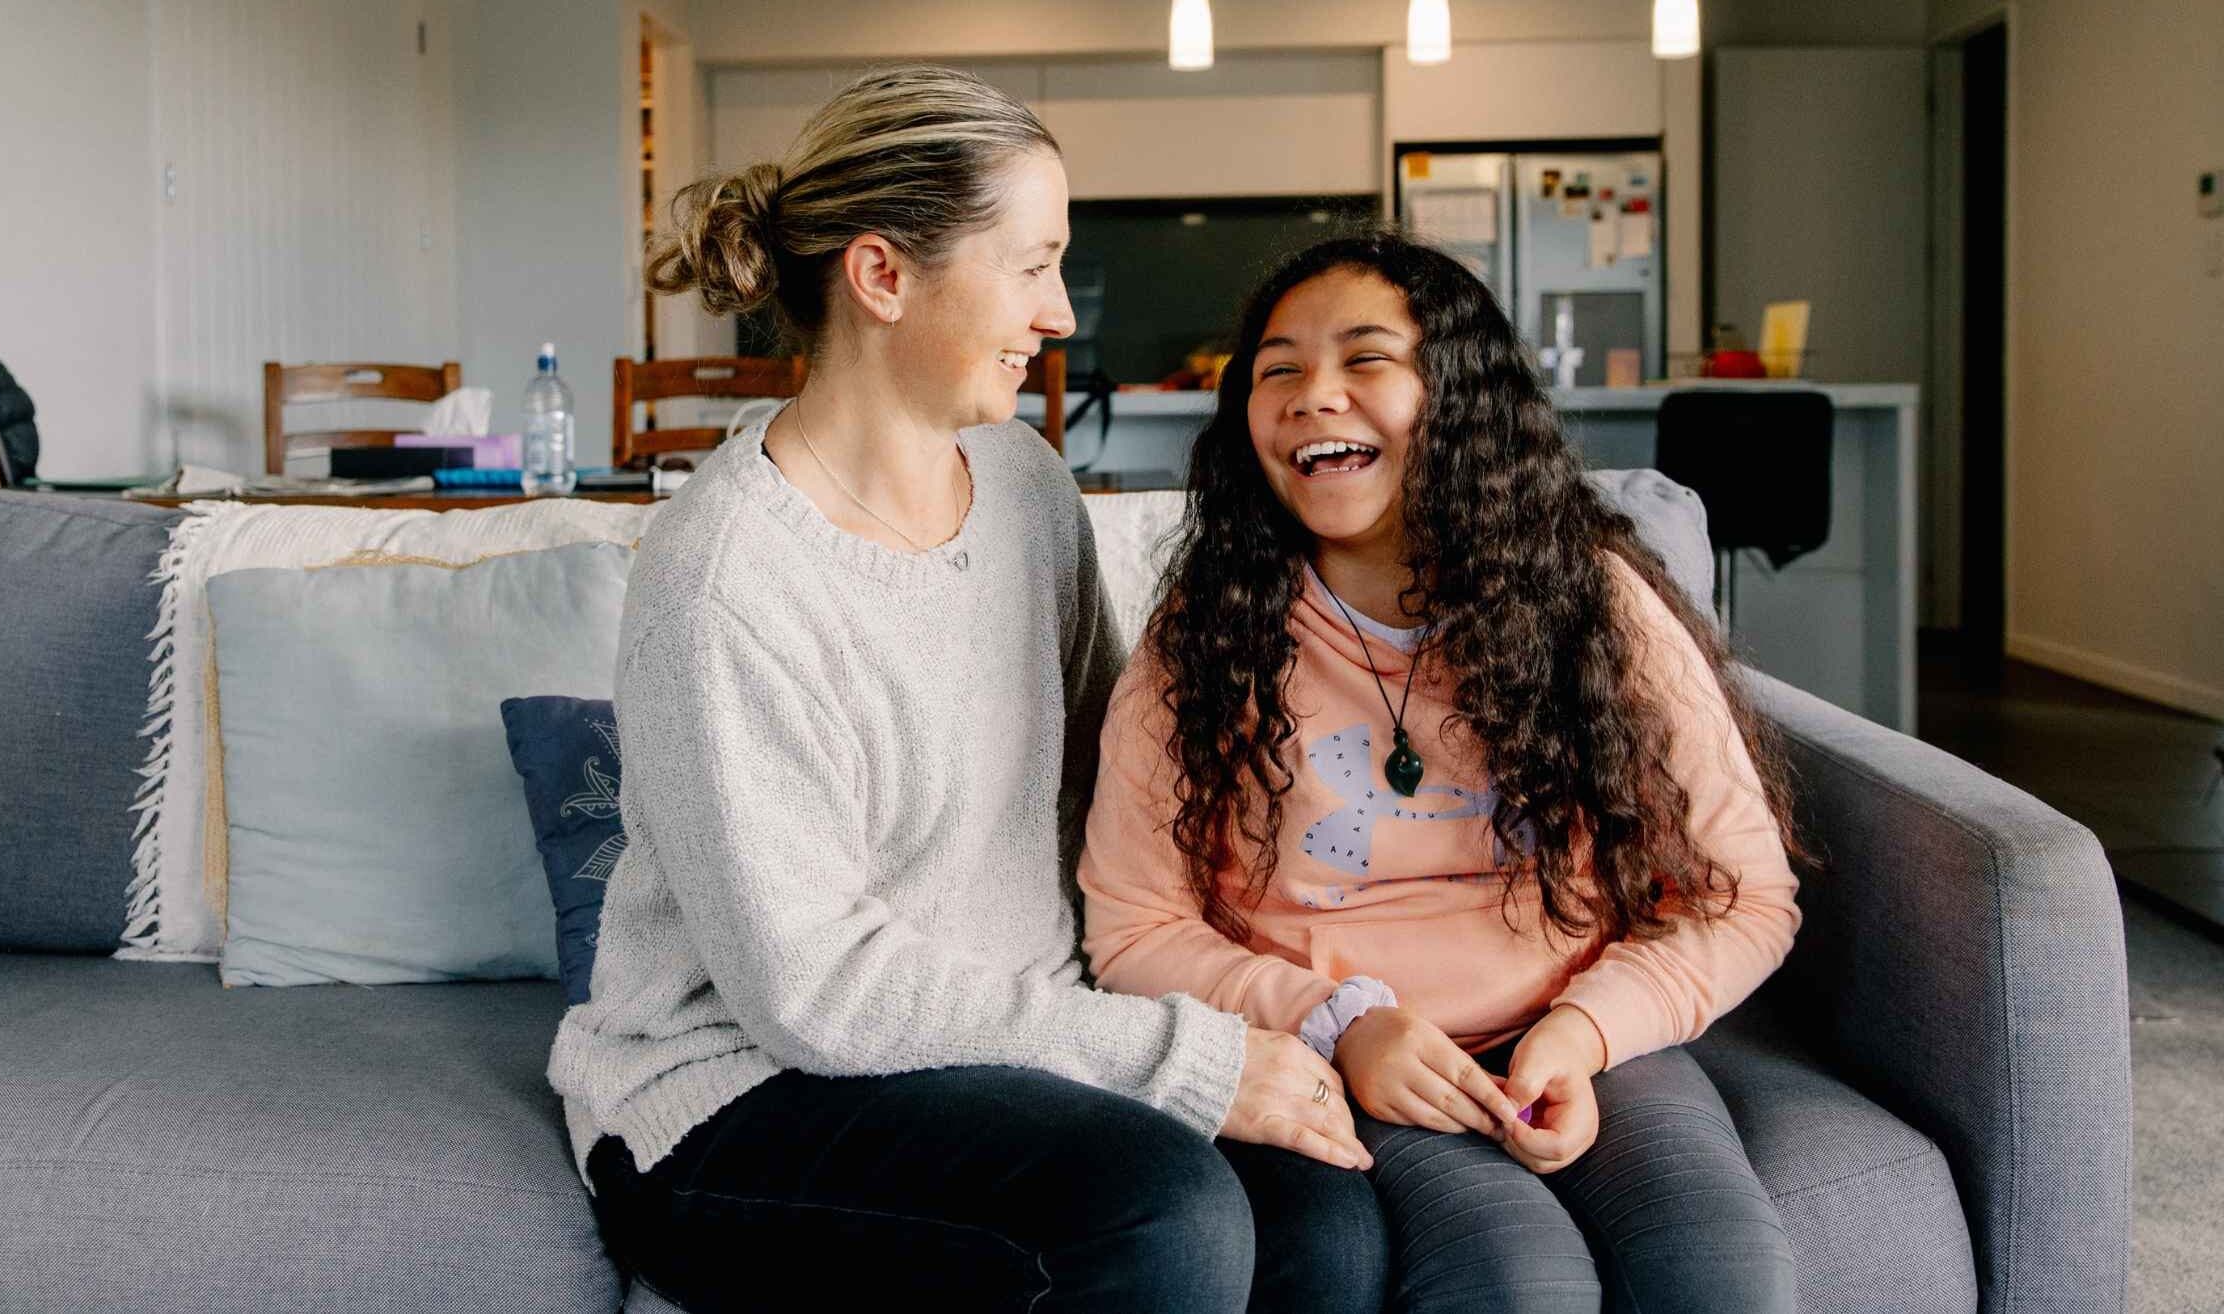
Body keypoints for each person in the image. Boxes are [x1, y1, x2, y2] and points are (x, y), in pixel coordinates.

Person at [549, 68, 1384, 1313]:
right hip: (741, 1091)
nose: (1056, 313)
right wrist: (1184, 1059)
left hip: (1015, 1042)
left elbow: (1116, 781)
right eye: (1031, 263)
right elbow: (818, 992)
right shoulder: (726, 578)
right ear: (883, 276)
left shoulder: (1025, 485)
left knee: (1330, 1225)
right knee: (1166, 1217)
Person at [1082, 231, 1804, 1312]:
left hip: (1584, 1030)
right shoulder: (1206, 637)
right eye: (1277, 368)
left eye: (1364, 357)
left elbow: (1745, 894)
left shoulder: (1592, 606)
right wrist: (1341, 1023)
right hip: (1358, 1058)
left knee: (1719, 1273)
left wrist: (1586, 1028)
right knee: (1518, 1283)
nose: (1313, 395)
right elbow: (1130, 929)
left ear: (1456, 394)